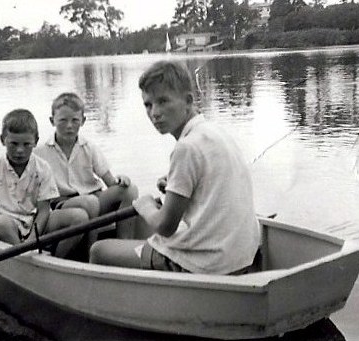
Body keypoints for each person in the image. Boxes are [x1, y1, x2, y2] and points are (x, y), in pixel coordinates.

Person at [89, 61, 260, 275]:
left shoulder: (186, 147)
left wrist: (145, 205)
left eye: (163, 101)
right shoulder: (215, 132)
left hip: (208, 263)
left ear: (188, 101)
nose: (155, 113)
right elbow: (208, 182)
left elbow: (165, 227)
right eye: (148, 104)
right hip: (242, 255)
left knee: (99, 250)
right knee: (147, 235)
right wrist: (173, 185)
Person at [0, 109, 89, 258]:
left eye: (26, 144)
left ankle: (55, 259)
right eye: (14, 144)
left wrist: (31, 240)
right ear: (2, 140)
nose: (19, 150)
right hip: (9, 226)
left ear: (35, 142)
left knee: (80, 217)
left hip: (38, 223)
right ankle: (22, 255)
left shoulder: (42, 168)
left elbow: (43, 211)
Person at [34, 92, 139, 239]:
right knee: (89, 202)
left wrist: (120, 180)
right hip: (64, 204)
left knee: (129, 189)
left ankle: (123, 242)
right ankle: (91, 246)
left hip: (94, 199)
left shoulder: (89, 147)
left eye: (75, 120)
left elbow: (110, 181)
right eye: (63, 120)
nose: (69, 126)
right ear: (52, 121)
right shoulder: (40, 153)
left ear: (83, 121)